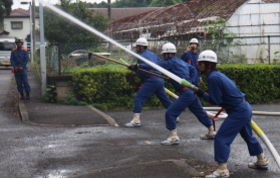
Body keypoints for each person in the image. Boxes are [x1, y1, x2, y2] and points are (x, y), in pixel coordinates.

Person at [195, 50, 269, 178]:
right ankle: (262, 160)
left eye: (201, 63)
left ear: (209, 65)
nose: (198, 65)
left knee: (221, 138)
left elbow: (216, 100)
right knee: (247, 136)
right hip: (243, 107)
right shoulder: (217, 75)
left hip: (238, 111)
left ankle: (222, 170)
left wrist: (201, 93)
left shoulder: (212, 77)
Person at [142, 42, 215, 145]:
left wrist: (138, 66)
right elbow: (193, 69)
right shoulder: (180, 62)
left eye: (164, 55)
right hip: (190, 91)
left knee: (170, 113)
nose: (163, 57)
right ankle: (211, 131)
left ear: (167, 54)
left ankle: (173, 137)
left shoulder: (170, 62)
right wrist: (193, 84)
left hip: (186, 92)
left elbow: (155, 66)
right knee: (199, 112)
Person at [125, 37, 174, 127]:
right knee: (164, 99)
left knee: (138, 98)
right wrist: (135, 68)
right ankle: (176, 114)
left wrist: (137, 66)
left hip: (152, 80)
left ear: (141, 47)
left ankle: (136, 120)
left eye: (137, 47)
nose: (136, 48)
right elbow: (158, 65)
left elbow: (147, 66)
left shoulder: (141, 56)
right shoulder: (153, 55)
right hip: (159, 80)